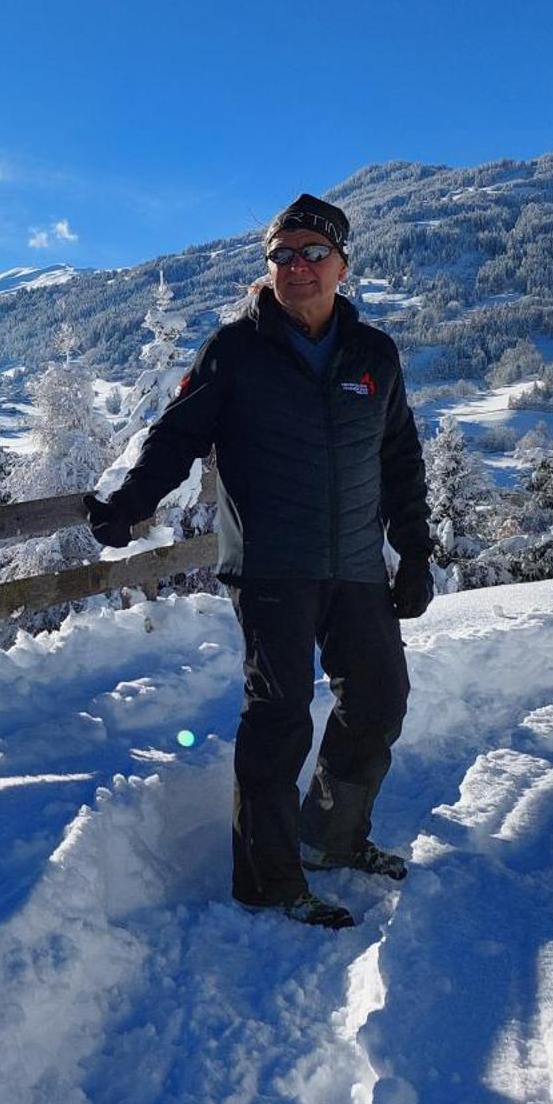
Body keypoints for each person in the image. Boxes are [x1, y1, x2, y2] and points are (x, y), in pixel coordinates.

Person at [84, 193, 433, 929]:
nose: (298, 268)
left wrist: (416, 551)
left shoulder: (375, 356)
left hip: (358, 565)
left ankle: (330, 836)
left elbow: (400, 456)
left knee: (379, 702)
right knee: (278, 720)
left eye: (313, 254)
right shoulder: (234, 351)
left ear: (342, 264)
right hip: (272, 568)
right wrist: (129, 504)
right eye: (283, 255)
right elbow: (177, 438)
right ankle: (267, 880)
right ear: (267, 268)